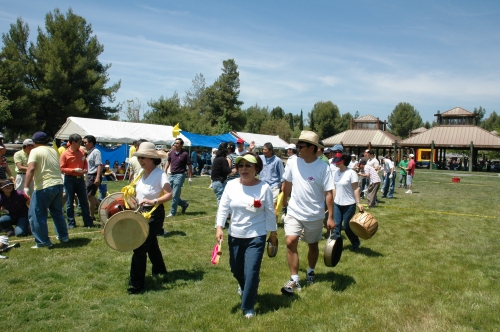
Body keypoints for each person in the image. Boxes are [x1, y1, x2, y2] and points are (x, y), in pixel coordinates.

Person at [215, 152, 277, 318]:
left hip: (256, 236)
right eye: (240, 165)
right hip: (235, 235)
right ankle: (247, 286)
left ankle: (248, 306)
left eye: (248, 165)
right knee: (236, 270)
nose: (243, 169)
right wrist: (219, 227)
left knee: (251, 271)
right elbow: (223, 208)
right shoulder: (231, 186)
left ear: (256, 168)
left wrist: (273, 234)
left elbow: (270, 212)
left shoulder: (264, 188)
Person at [281, 131, 335, 294]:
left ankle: (311, 271)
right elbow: (287, 183)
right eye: (297, 146)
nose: (298, 149)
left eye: (301, 146)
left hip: (314, 214)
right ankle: (295, 279)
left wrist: (330, 217)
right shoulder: (292, 162)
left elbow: (329, 193)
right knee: (290, 241)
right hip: (294, 211)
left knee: (312, 244)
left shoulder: (323, 167)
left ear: (312, 148)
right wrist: (284, 201)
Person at [128, 142, 172, 294]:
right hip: (141, 212)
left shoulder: (160, 175)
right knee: (151, 243)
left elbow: (169, 194)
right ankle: (160, 270)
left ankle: (136, 284)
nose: (140, 161)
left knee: (139, 246)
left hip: (154, 213)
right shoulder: (140, 173)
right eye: (139, 157)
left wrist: (153, 201)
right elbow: (138, 193)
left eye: (143, 157)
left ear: (152, 159)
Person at [24, 131, 69, 248]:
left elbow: (31, 168)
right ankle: (64, 236)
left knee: (37, 215)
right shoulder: (53, 150)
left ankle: (43, 241)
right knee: (57, 212)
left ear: (34, 142)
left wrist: (26, 187)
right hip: (58, 184)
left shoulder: (34, 151)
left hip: (44, 186)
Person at [60, 134, 96, 228]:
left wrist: (85, 169)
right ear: (72, 142)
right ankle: (71, 223)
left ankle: (88, 222)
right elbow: (62, 169)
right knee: (69, 202)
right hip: (69, 179)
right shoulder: (65, 154)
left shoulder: (81, 152)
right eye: (79, 142)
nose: (81, 144)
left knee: (84, 201)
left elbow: (85, 163)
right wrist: (73, 170)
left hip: (80, 180)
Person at [330, 153, 363, 251]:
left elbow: (356, 188)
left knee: (347, 226)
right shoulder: (336, 173)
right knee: (336, 226)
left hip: (349, 204)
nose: (335, 163)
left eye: (337, 162)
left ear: (343, 162)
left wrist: (358, 202)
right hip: (337, 204)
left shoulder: (351, 173)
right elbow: (334, 188)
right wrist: (333, 200)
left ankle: (355, 242)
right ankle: (336, 246)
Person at [163, 138, 192, 217]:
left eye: (177, 143)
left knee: (175, 194)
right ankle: (184, 204)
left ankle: (172, 212)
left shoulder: (185, 154)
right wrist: (164, 171)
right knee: (169, 193)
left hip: (180, 175)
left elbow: (190, 165)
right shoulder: (172, 152)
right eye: (175, 143)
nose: (175, 144)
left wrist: (190, 177)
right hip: (172, 175)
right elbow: (168, 162)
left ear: (181, 145)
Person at [83, 135, 102, 220]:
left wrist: (97, 177)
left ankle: (92, 216)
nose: (84, 144)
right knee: (91, 196)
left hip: (93, 175)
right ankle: (103, 207)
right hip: (89, 175)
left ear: (91, 143)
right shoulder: (89, 152)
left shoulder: (96, 152)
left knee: (90, 196)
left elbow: (99, 165)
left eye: (85, 142)